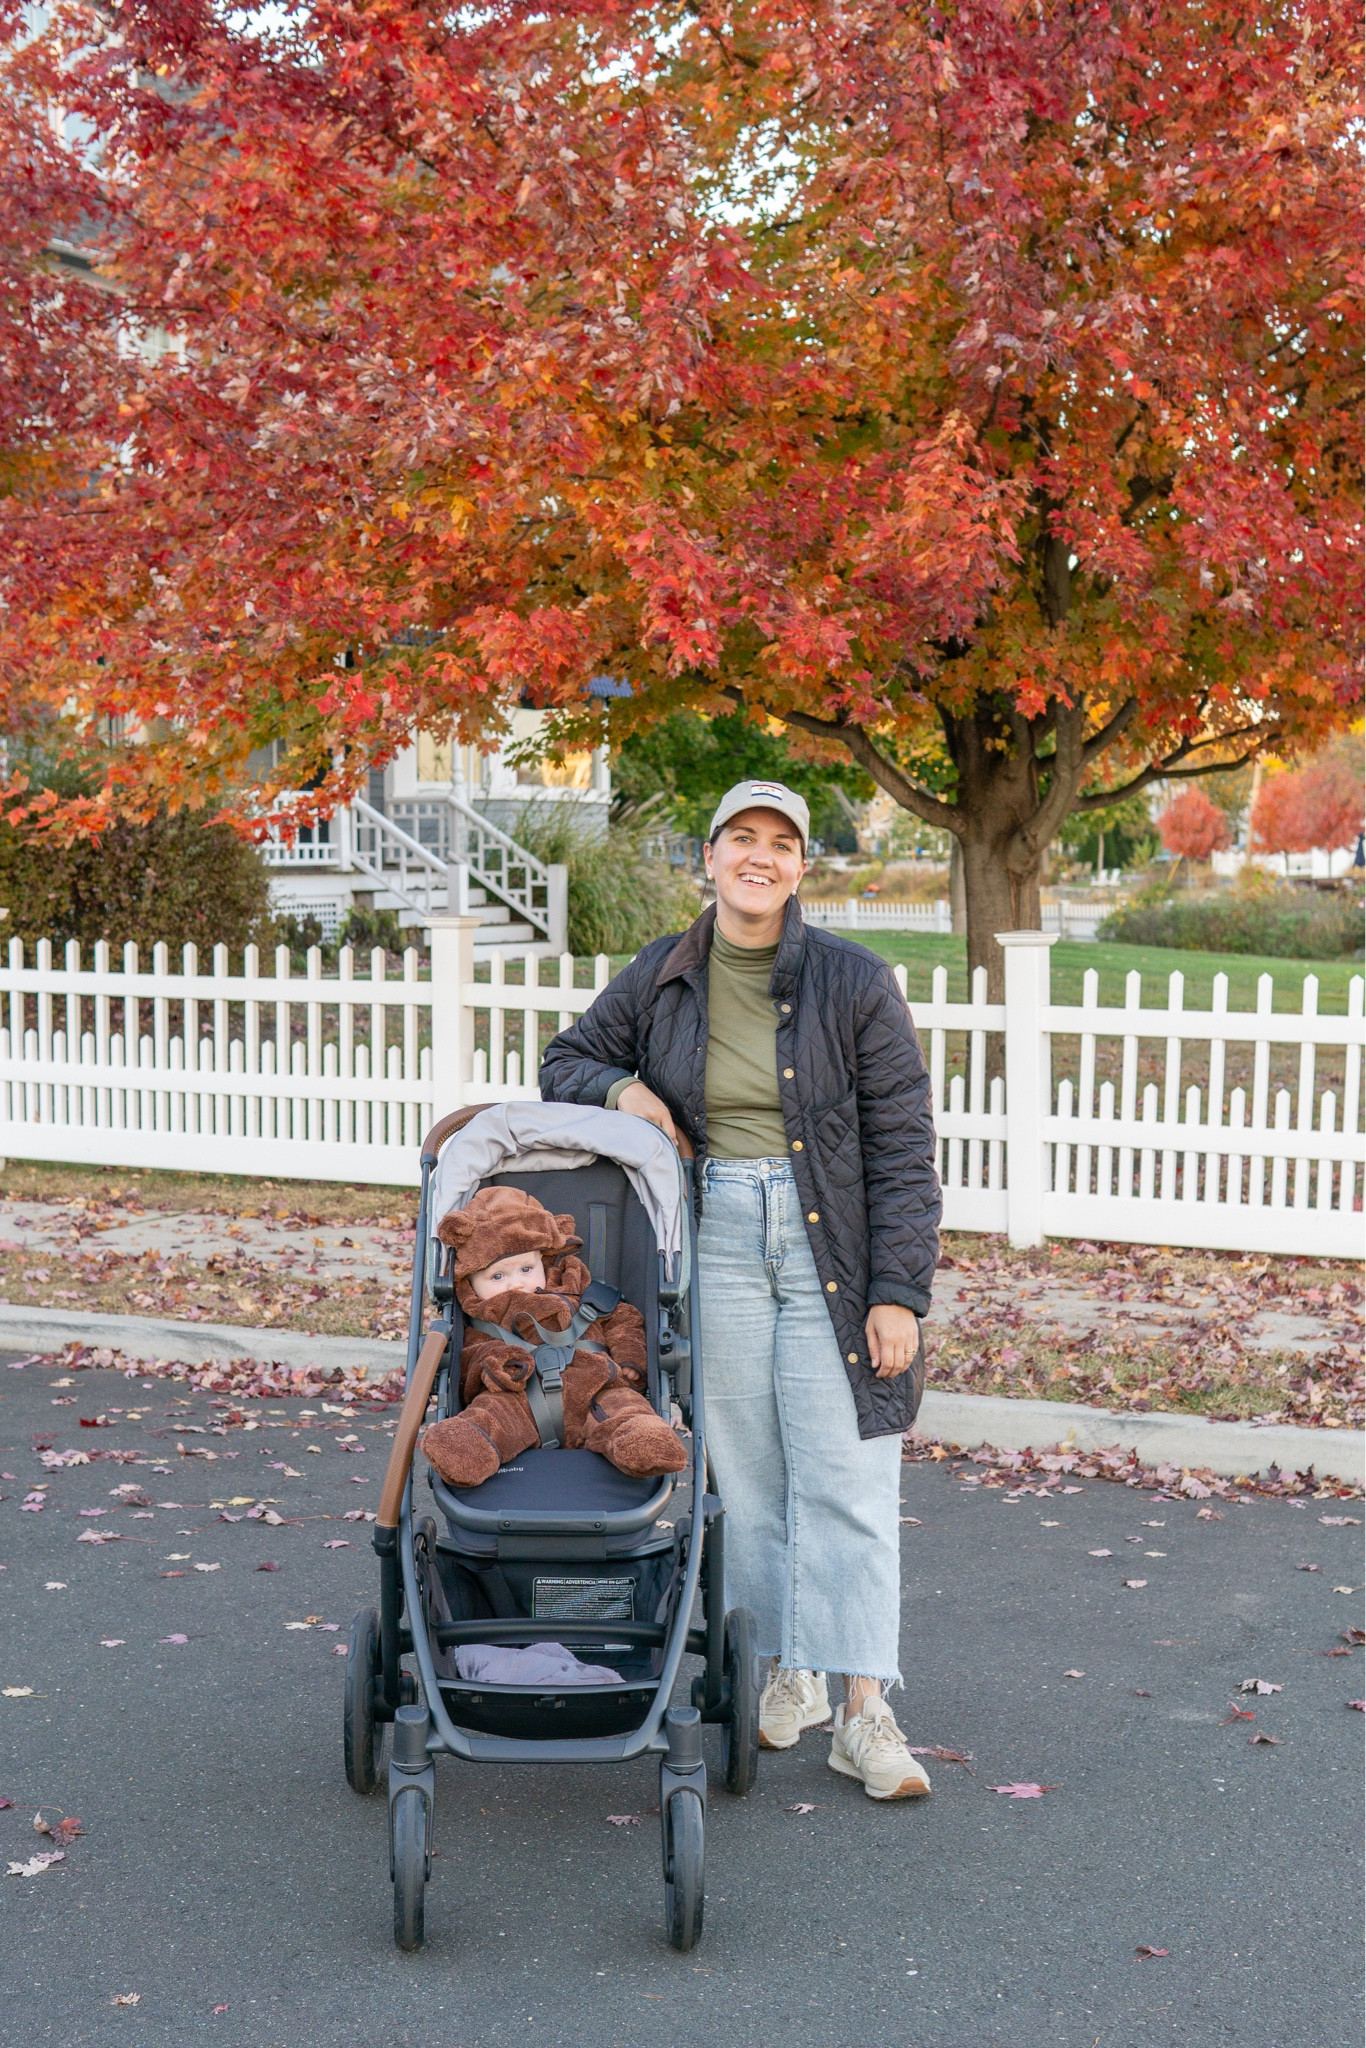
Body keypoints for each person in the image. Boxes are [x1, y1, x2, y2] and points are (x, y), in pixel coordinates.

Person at [540, 779, 942, 1799]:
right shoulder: (665, 973)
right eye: (741, 838)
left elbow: (904, 1147)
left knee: (847, 1472)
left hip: (831, 1244)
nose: (759, 857)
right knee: (748, 1477)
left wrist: (898, 1291)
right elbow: (566, 1059)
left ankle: (864, 1709)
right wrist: (626, 1087)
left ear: (801, 866)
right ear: (710, 855)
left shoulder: (855, 981)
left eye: (780, 843)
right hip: (715, 1230)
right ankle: (782, 1666)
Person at [419, 1185, 687, 1489]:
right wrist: (497, 1365)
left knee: (623, 1407)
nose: (517, 1284)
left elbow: (622, 1319)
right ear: (469, 1280)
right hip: (518, 1398)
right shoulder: (481, 1318)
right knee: (492, 1414)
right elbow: (469, 1358)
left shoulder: (574, 1290)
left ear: (544, 1261)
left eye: (526, 1268)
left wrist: (630, 1358)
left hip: (594, 1386)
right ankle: (469, 1448)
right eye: (497, 1276)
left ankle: (640, 1440)